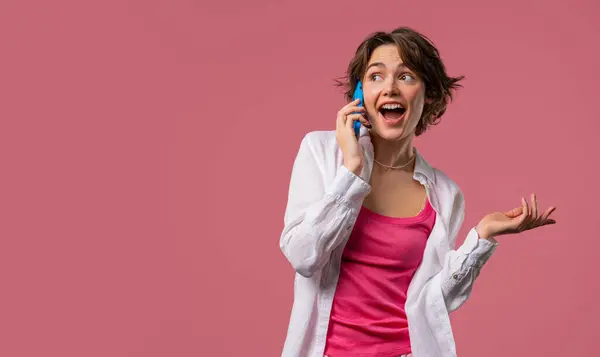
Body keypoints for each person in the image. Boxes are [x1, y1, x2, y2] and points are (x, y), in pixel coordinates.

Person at [278, 27, 556, 357]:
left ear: (429, 96)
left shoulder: (445, 194)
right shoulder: (322, 153)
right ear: (360, 92)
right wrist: (351, 170)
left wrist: (481, 237)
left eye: (406, 76)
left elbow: (434, 303)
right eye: (375, 76)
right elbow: (303, 256)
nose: (390, 88)